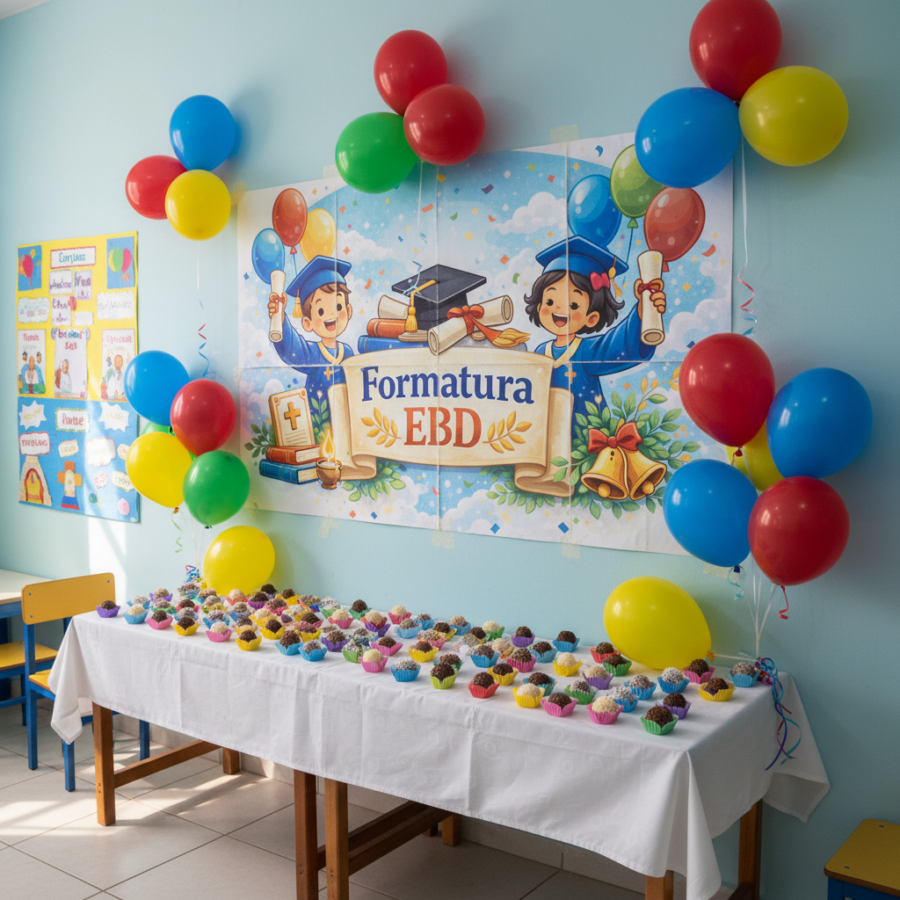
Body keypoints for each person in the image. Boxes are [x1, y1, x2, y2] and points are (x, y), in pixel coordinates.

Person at [524, 236, 666, 437]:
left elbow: (618, 345)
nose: (559, 309)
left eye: (574, 305)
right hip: (549, 436)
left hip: (586, 438)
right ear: (539, 306)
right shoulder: (540, 352)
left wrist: (643, 311)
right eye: (549, 301)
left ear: (591, 318)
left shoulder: (587, 351)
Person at [267, 256, 354, 437]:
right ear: (307, 323)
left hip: (346, 426)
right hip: (319, 428)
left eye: (338, 306)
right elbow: (293, 349)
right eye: (321, 310)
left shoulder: (348, 353)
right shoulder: (313, 354)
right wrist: (280, 318)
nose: (332, 314)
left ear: (348, 311)